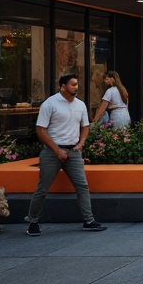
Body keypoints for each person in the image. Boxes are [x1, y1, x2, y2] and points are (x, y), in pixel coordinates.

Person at [24, 74, 106, 235]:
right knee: (42, 189)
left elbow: (85, 126)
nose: (76, 87)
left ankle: (89, 221)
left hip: (73, 152)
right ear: (63, 86)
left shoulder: (80, 105)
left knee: (82, 186)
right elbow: (40, 130)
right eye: (73, 84)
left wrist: (81, 143)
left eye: (77, 84)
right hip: (51, 153)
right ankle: (33, 222)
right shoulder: (50, 104)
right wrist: (57, 150)